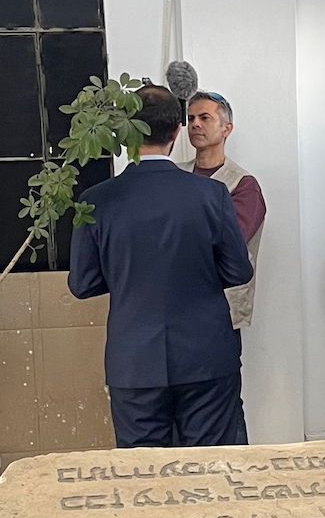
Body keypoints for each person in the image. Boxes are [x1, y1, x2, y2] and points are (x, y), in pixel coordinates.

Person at [70, 85, 252, 448]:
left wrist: (128, 273)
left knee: (143, 476)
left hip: (134, 358)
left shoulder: (95, 201)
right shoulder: (212, 194)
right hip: (206, 354)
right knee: (212, 470)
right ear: (177, 132)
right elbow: (239, 272)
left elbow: (82, 284)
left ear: (125, 132)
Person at [181, 90, 265, 330]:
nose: (195, 124)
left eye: (204, 118)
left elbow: (229, 242)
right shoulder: (175, 175)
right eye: (191, 119)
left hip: (221, 308)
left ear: (226, 128)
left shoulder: (243, 184)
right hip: (176, 306)